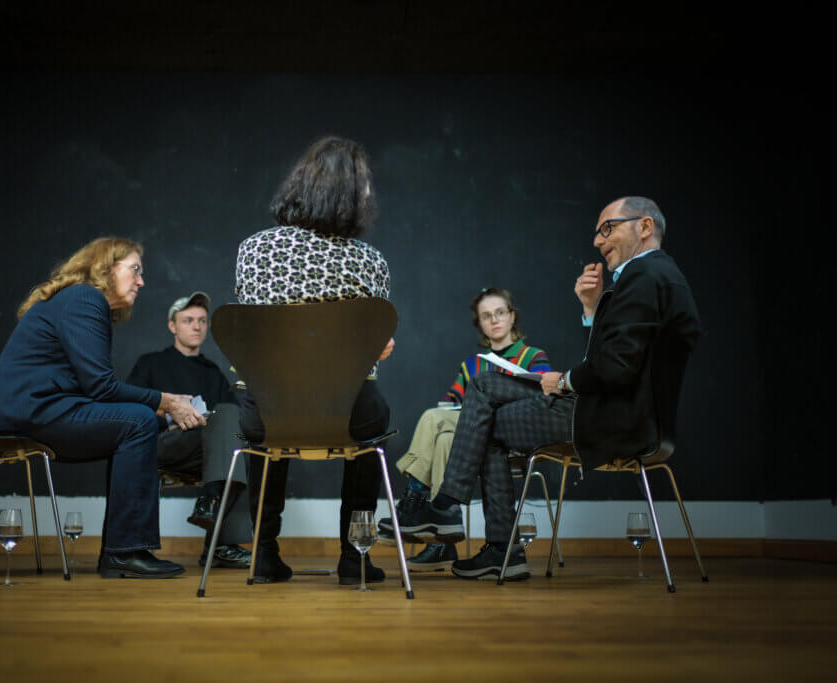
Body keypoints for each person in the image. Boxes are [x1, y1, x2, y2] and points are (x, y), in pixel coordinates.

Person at [431, 197, 700, 580]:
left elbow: (615, 368)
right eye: (596, 231)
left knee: (485, 416)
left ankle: (477, 532)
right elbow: (622, 359)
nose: (597, 240)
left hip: (609, 420)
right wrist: (591, 310)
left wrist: (565, 380)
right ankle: (457, 517)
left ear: (643, 227)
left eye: (607, 228)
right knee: (484, 388)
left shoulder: (644, 276)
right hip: (631, 416)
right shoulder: (663, 276)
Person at [0, 237, 206, 579]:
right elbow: (101, 387)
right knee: (138, 421)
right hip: (28, 413)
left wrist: (154, 406)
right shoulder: (84, 298)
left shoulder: (80, 302)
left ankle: (124, 550)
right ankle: (125, 552)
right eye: (134, 270)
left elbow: (91, 389)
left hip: (37, 410)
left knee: (137, 420)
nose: (142, 281)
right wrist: (164, 401)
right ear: (106, 268)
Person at [234, 136, 394, 585]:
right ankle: (354, 554)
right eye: (363, 187)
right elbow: (371, 348)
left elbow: (256, 334)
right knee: (372, 417)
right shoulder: (370, 262)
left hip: (268, 413)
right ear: (349, 194)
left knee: (270, 405)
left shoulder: (253, 250)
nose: (368, 196)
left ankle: (263, 554)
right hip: (345, 414)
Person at [378, 287, 551, 572]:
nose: (494, 320)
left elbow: (544, 399)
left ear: (512, 315)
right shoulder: (472, 365)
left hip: (516, 433)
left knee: (434, 421)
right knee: (445, 437)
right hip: (475, 438)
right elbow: (450, 405)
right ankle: (444, 532)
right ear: (480, 324)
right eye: (486, 316)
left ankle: (413, 502)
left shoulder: (533, 356)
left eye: (499, 312)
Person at [127, 291, 253, 570]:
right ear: (172, 326)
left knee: (242, 439)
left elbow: (234, 421)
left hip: (208, 451)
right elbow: (129, 410)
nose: (196, 327)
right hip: (163, 443)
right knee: (229, 428)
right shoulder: (151, 363)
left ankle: (214, 517)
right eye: (188, 320)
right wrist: (171, 413)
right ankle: (220, 536)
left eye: (202, 321)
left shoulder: (212, 372)